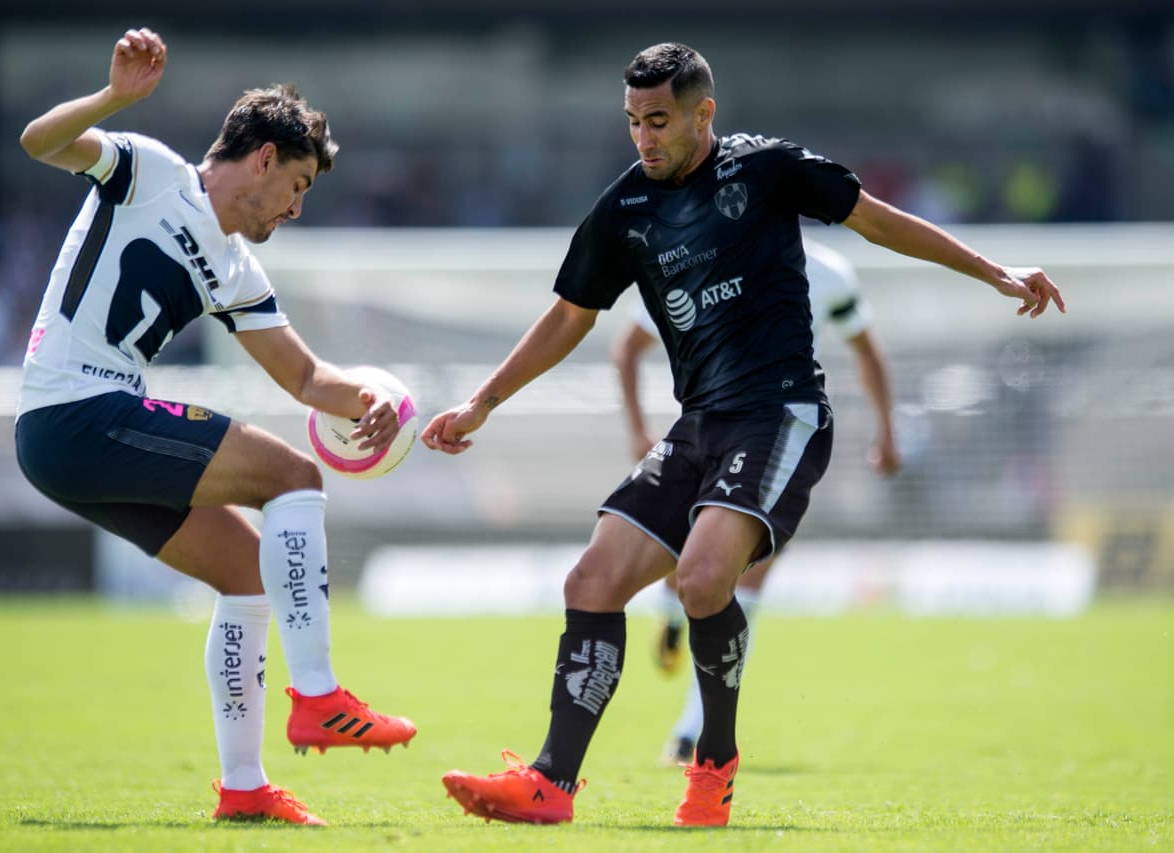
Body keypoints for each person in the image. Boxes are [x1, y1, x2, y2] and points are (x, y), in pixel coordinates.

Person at [421, 42, 1064, 828]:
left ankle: (712, 764)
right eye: (633, 122)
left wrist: (995, 271)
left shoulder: (766, 168)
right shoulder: (626, 208)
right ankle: (550, 781)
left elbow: (876, 220)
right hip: (699, 424)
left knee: (701, 580)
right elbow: (568, 317)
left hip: (781, 412)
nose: (644, 137)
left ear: (704, 113)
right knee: (590, 582)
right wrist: (483, 402)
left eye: (659, 120)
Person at [14, 28, 416, 826]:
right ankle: (318, 694)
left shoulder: (236, 268)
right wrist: (114, 99)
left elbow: (305, 377)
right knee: (294, 477)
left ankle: (244, 786)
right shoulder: (151, 171)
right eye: (298, 184)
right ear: (263, 159)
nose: (298, 207)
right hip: (75, 411)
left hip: (78, 432)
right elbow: (38, 142)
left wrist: (371, 401)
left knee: (248, 573)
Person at [612, 239, 900, 766]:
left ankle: (693, 730)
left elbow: (866, 349)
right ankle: (671, 614)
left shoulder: (828, 272)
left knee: (744, 581)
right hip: (703, 434)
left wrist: (886, 431)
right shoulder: (697, 252)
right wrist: (637, 430)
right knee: (689, 572)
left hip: (778, 439)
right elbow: (630, 347)